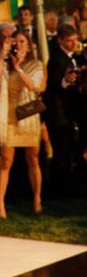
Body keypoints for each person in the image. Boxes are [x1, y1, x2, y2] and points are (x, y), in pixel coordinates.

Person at [0, 32, 45, 217]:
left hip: (28, 115)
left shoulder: (36, 65)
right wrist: (3, 54)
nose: (19, 45)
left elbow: (33, 86)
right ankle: (0, 204)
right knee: (5, 161)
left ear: (29, 46)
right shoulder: (6, 64)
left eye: (22, 42)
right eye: (16, 42)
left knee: (33, 159)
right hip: (8, 115)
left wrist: (19, 67)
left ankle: (37, 199)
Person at [43, 23, 84, 188]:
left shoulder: (76, 57)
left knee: (68, 149)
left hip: (71, 112)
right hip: (58, 114)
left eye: (75, 40)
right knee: (61, 150)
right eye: (69, 41)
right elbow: (53, 85)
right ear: (60, 41)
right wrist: (65, 81)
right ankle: (59, 186)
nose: (73, 44)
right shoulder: (56, 59)